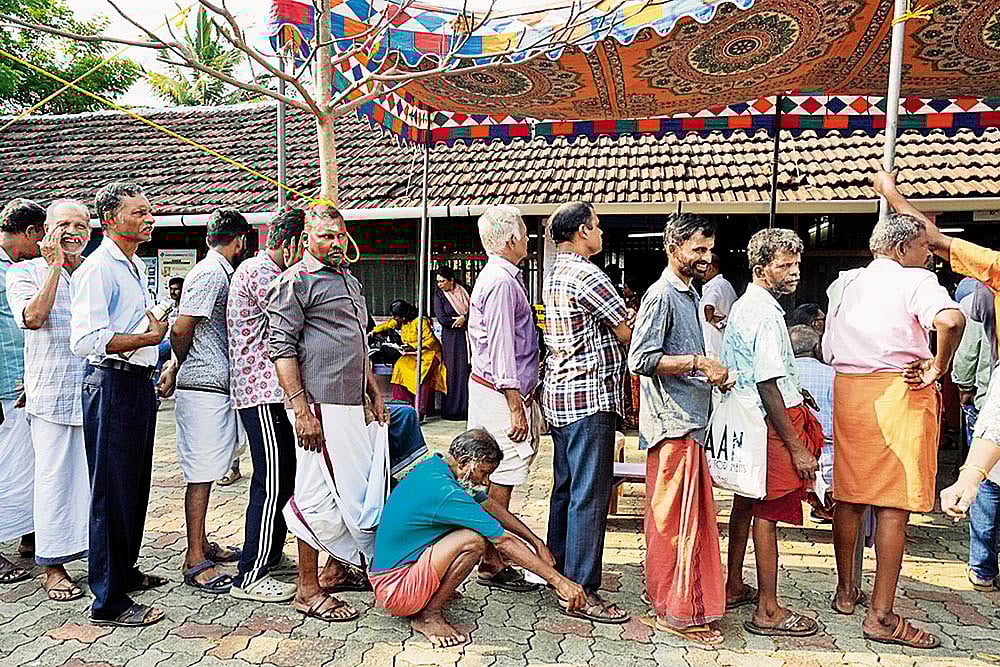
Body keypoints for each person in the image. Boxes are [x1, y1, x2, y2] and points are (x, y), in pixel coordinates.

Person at [823, 186, 963, 649]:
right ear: (904, 248)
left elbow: (827, 343)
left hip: (849, 393)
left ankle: (847, 593)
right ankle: (881, 615)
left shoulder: (846, 281)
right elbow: (951, 321)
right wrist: (939, 366)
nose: (931, 256)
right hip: (899, 392)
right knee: (892, 505)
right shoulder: (916, 280)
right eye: (926, 248)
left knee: (850, 495)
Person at [267, 202, 390, 622]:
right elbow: (281, 349)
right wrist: (301, 410)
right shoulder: (294, 282)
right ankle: (307, 588)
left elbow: (361, 342)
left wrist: (374, 392)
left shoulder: (349, 280)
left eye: (340, 236)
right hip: (319, 405)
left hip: (353, 402)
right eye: (325, 237)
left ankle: (337, 568)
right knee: (317, 493)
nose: (336, 243)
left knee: (352, 492)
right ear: (306, 239)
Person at [369, 428, 586, 648]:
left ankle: (428, 595)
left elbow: (489, 505)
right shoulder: (447, 492)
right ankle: (428, 615)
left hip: (392, 578)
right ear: (464, 462)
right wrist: (561, 583)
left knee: (467, 533)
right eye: (483, 472)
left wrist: (536, 541)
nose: (485, 481)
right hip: (396, 590)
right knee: (474, 541)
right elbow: (503, 541)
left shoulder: (439, 467)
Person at [627, 213, 730, 646]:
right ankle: (674, 611)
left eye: (709, 249)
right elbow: (640, 359)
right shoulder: (662, 295)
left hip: (690, 424)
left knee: (691, 525)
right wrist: (697, 363)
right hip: (673, 426)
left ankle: (684, 603)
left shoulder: (690, 293)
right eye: (698, 249)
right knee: (676, 527)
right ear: (674, 247)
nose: (706, 257)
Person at [70, 181, 169, 627]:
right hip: (111, 383)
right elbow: (87, 339)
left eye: (149, 212)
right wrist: (148, 338)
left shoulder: (130, 265)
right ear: (111, 220)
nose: (149, 219)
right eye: (139, 213)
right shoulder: (99, 268)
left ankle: (124, 573)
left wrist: (152, 333)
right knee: (110, 491)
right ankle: (107, 601)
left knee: (133, 484)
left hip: (135, 383)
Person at [721, 228, 821, 638]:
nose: (795, 271)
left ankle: (732, 585)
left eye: (796, 263)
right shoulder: (763, 314)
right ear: (762, 270)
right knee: (768, 512)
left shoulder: (748, 306)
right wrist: (797, 447)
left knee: (747, 503)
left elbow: (770, 375)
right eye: (785, 265)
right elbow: (767, 382)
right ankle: (768, 608)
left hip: (754, 418)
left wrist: (798, 387)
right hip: (771, 425)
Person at [542, 201, 632, 623]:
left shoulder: (555, 271)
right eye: (596, 227)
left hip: (561, 394)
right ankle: (581, 588)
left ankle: (557, 570)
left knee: (566, 488)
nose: (601, 234)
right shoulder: (587, 273)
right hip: (589, 395)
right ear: (581, 231)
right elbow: (626, 331)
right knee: (590, 496)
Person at [157, 208, 252, 594]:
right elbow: (181, 327)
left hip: (215, 385)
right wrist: (182, 363)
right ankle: (194, 556)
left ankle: (203, 543)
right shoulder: (210, 273)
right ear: (240, 241)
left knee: (211, 468)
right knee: (200, 473)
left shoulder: (217, 272)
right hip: (202, 387)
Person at [6, 200, 91, 601]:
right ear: (45, 231)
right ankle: (51, 567)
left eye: (82, 224)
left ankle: (96, 555)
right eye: (64, 225)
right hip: (52, 395)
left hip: (92, 393)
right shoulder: (24, 272)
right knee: (54, 482)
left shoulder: (91, 272)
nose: (74, 232)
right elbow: (34, 317)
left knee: (89, 484)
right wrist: (55, 265)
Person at [224, 208, 305, 602]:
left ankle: (269, 556)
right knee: (271, 482)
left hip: (273, 392)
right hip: (261, 393)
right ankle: (250, 574)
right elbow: (298, 314)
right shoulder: (261, 273)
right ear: (290, 245)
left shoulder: (267, 271)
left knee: (283, 476)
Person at [466, 205, 542, 593]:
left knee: (498, 471)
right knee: (501, 471)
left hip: (496, 388)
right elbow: (501, 348)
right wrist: (515, 404)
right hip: (498, 392)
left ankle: (489, 554)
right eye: (526, 232)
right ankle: (491, 559)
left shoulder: (503, 277)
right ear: (511, 239)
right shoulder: (500, 281)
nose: (529, 238)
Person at [0, 198, 43, 585]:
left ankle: (29, 533)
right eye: (40, 235)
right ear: (28, 233)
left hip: (19, 381)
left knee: (24, 466)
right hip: (2, 386)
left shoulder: (14, 269)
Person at [952, 283, 999, 591]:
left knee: (988, 484)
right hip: (990, 405)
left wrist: (963, 386)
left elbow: (967, 353)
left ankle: (982, 567)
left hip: (985, 402)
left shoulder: (980, 300)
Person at [789, 324, 835, 523]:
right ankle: (826, 506)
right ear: (817, 348)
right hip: (826, 454)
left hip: (788, 451)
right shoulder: (832, 375)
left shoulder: (781, 376)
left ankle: (818, 503)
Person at [373, 299, 447, 416]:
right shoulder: (402, 321)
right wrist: (374, 331)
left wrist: (413, 347)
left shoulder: (420, 321)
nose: (395, 319)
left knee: (420, 375)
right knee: (399, 366)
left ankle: (420, 410)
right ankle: (402, 404)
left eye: (397, 317)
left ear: (404, 314)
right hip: (413, 354)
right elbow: (389, 324)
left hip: (429, 354)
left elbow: (430, 341)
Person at [433, 265, 471, 420]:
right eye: (438, 282)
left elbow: (477, 309)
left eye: (442, 281)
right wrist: (458, 320)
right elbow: (442, 319)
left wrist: (465, 318)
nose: (440, 284)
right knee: (455, 371)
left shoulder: (466, 290)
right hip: (452, 339)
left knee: (468, 371)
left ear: (451, 280)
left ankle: (468, 408)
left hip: (469, 335)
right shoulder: (439, 295)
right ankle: (454, 410)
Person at [700, 252, 738, 360]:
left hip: (714, 343)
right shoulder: (725, 284)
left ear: (711, 267)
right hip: (726, 341)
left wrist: (710, 319)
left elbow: (708, 306)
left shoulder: (714, 286)